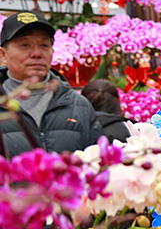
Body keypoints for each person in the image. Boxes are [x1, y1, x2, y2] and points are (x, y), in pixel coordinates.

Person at [0, 11, 103, 157]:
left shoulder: (78, 106)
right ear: (3, 55)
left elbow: (98, 163)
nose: (37, 53)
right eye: (25, 45)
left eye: (44, 45)